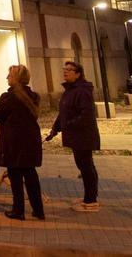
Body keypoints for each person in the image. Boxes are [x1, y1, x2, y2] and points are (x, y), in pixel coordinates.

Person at [46, 60, 101, 212]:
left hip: (83, 135)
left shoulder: (82, 91)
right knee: (84, 165)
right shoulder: (70, 90)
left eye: (70, 70)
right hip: (76, 135)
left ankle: (91, 200)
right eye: (65, 69)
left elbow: (86, 114)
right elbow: (64, 112)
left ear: (78, 74)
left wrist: (68, 125)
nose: (65, 72)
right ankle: (90, 196)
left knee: (85, 166)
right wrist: (55, 129)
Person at [0, 65, 43, 220]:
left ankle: (18, 210)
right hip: (30, 139)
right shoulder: (34, 96)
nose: (7, 78)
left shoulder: (10, 97)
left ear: (16, 78)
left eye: (9, 75)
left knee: (15, 176)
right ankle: (38, 209)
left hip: (14, 141)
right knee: (30, 174)